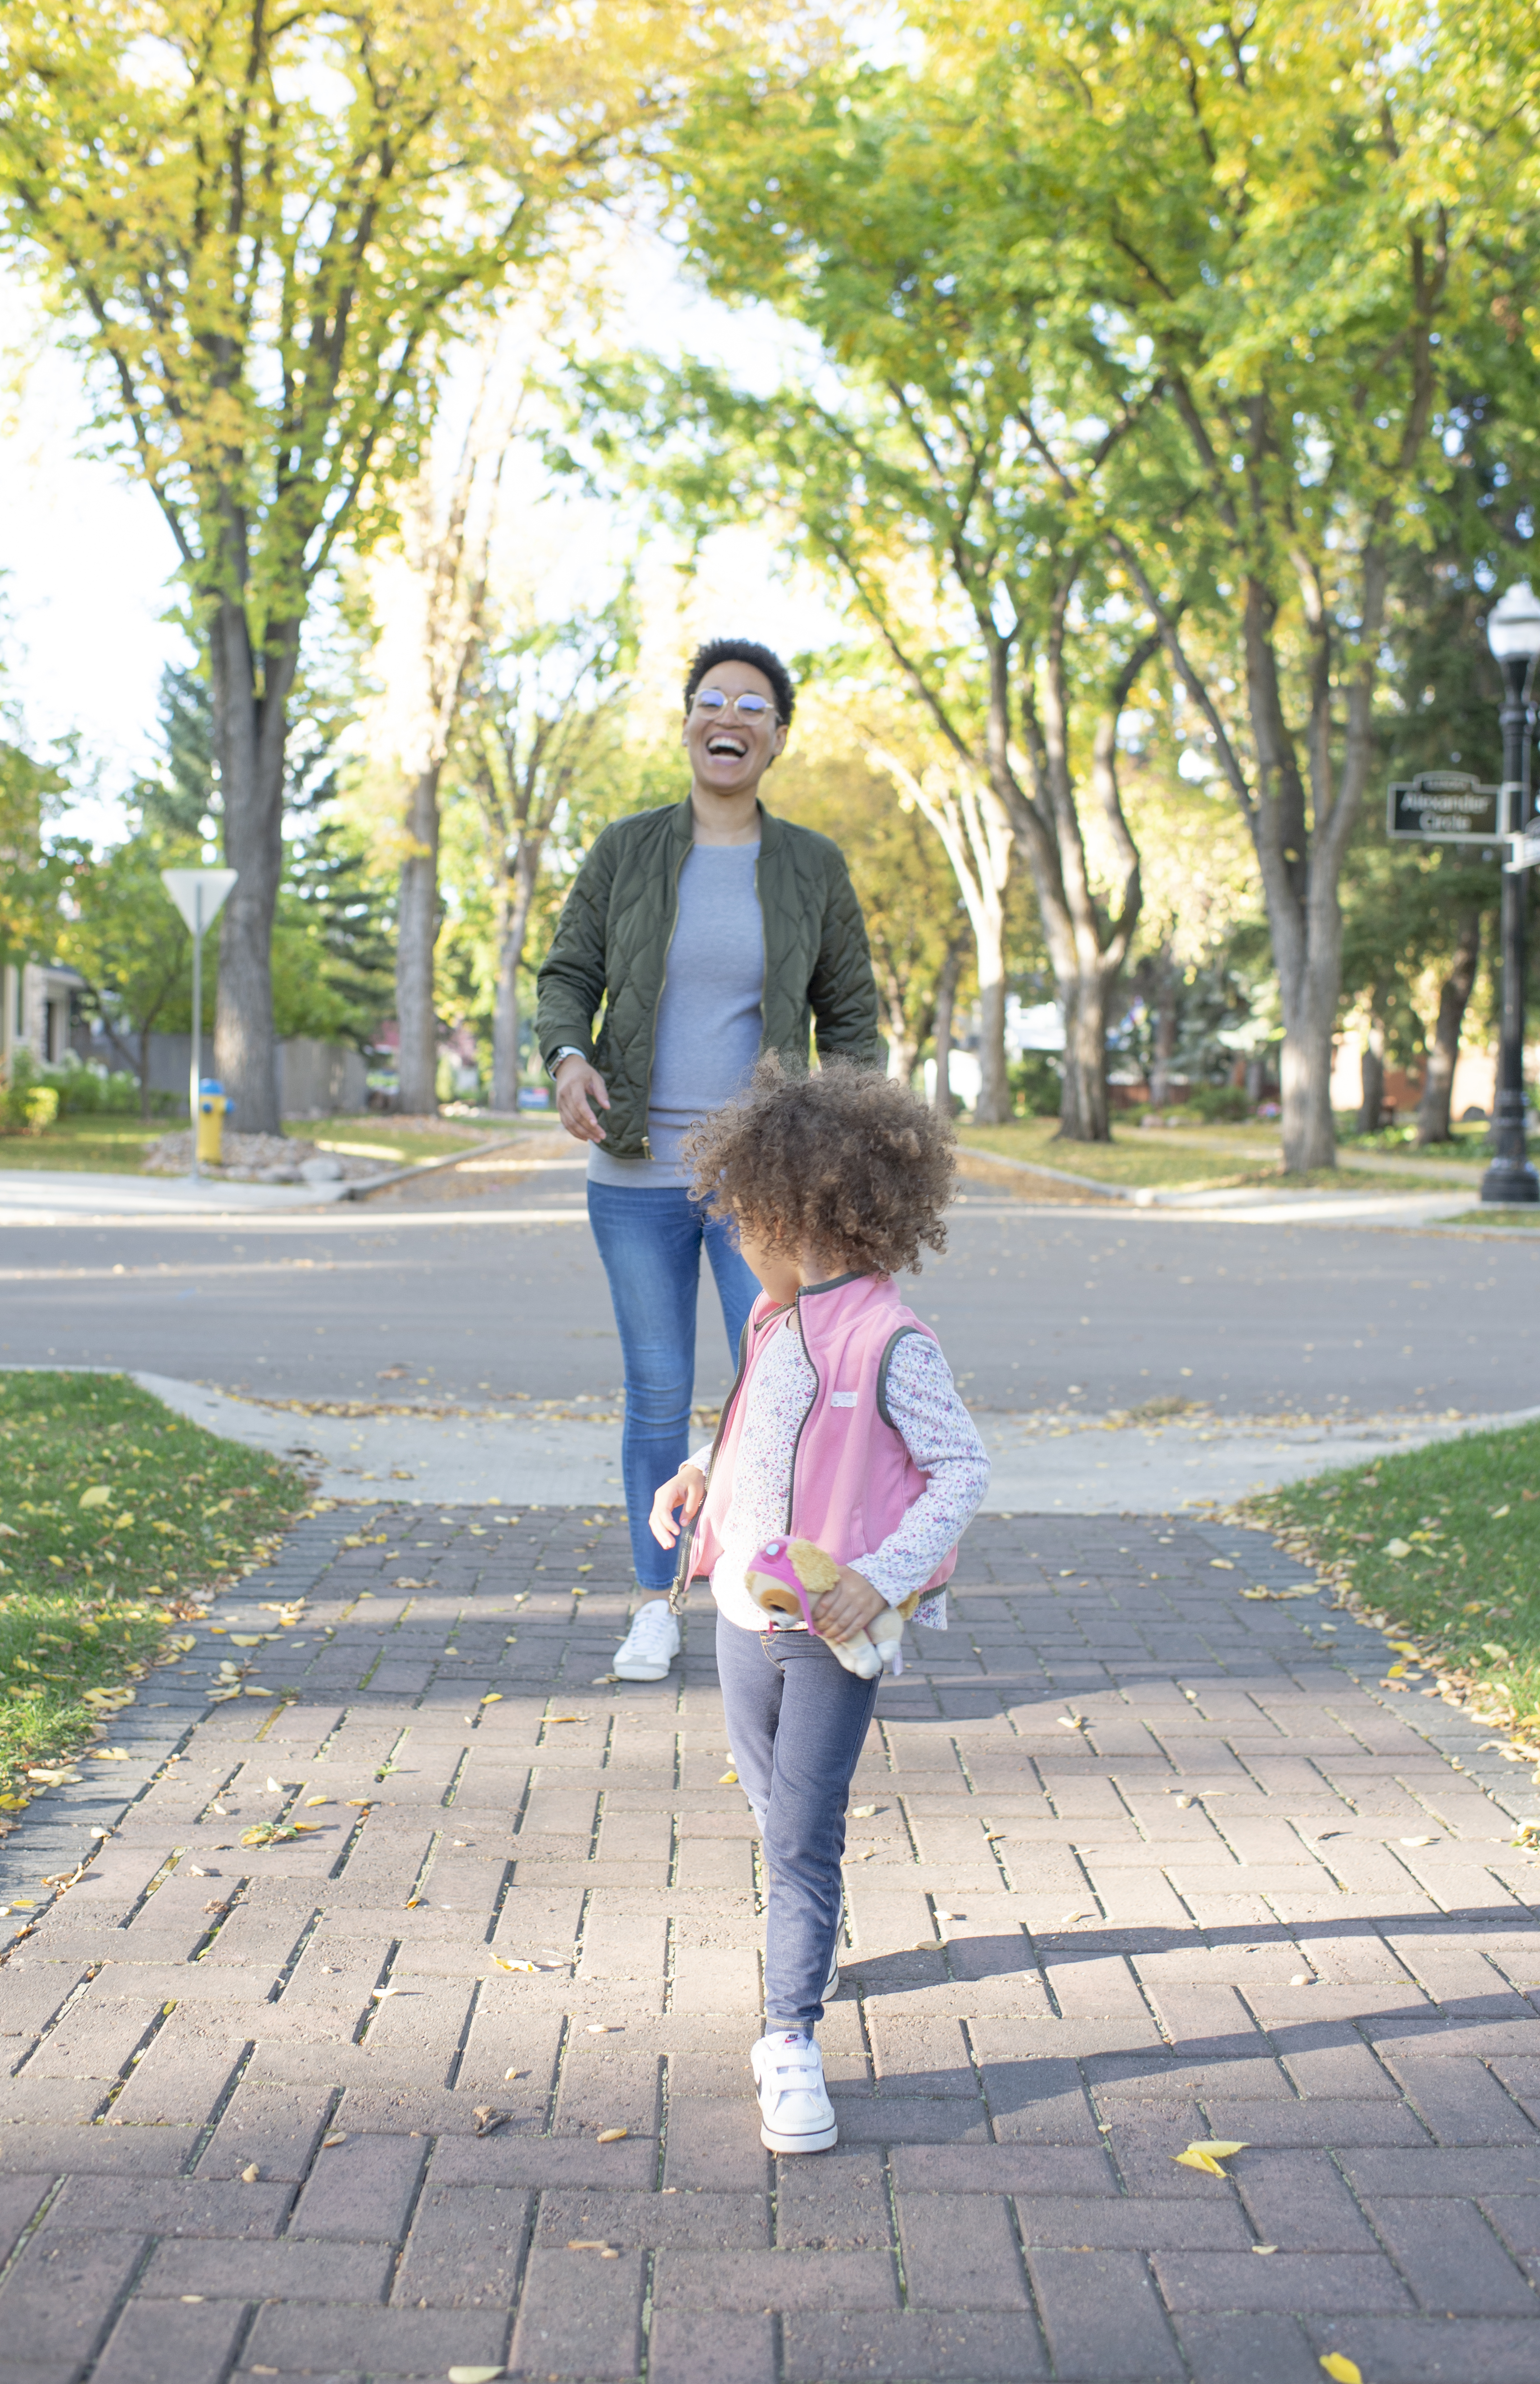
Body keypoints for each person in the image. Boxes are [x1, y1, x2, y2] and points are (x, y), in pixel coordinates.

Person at [650, 1058, 989, 2153]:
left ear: (796, 1219)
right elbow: (757, 1432)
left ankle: (789, 2038)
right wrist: (698, 1472)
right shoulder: (773, 1320)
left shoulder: (892, 1342)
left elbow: (962, 1470)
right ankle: (815, 1926)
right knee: (770, 1805)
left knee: (801, 1831)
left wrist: (880, 1578)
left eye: (744, 1221)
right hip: (743, 1618)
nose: (738, 1240)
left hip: (834, 1635)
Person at [536, 638, 879, 1683]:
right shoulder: (627, 850)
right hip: (635, 1171)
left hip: (760, 1183)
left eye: (752, 706)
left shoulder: (812, 866)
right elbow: (569, 974)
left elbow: (850, 1019)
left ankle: (769, 1599)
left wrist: (842, 1146)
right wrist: (566, 1058)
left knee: (778, 1391)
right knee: (656, 1391)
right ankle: (657, 1601)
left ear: (777, 738)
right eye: (711, 700)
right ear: (687, 723)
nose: (728, 717)